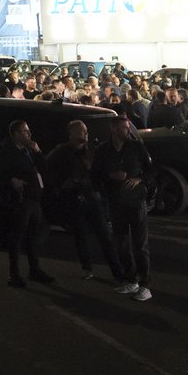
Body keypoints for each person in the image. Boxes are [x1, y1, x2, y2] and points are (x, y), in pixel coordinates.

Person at [45, 119, 123, 280]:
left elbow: (102, 170)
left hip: (93, 197)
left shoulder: (92, 150)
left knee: (105, 235)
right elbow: (47, 170)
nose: (86, 134)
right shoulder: (61, 151)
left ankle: (117, 270)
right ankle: (87, 268)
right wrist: (62, 184)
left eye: (86, 131)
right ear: (71, 134)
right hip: (74, 199)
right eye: (81, 131)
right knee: (80, 236)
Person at [93, 116, 154, 301]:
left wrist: (139, 179)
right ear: (113, 129)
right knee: (121, 243)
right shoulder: (103, 150)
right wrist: (111, 176)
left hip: (136, 202)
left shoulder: (136, 147)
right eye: (124, 128)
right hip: (115, 202)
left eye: (128, 128)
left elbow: (151, 170)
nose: (128, 131)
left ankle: (145, 284)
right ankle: (131, 279)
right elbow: (95, 175)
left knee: (140, 244)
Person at [0, 119, 53, 288]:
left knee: (32, 237)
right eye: (25, 131)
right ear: (16, 134)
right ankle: (14, 274)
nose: (29, 134)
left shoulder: (29, 150)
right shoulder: (7, 153)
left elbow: (44, 167)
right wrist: (11, 180)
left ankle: (35, 269)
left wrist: (38, 152)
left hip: (35, 199)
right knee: (17, 237)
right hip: (21, 200)